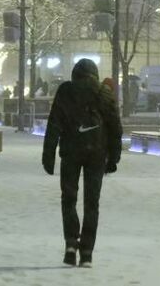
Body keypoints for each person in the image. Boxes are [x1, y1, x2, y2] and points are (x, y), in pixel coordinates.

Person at [42, 59, 122, 268]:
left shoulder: (66, 92)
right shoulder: (103, 92)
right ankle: (86, 253)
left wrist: (48, 155)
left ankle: (70, 245)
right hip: (97, 153)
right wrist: (113, 157)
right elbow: (115, 127)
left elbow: (54, 124)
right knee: (91, 203)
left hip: (70, 153)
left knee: (68, 198)